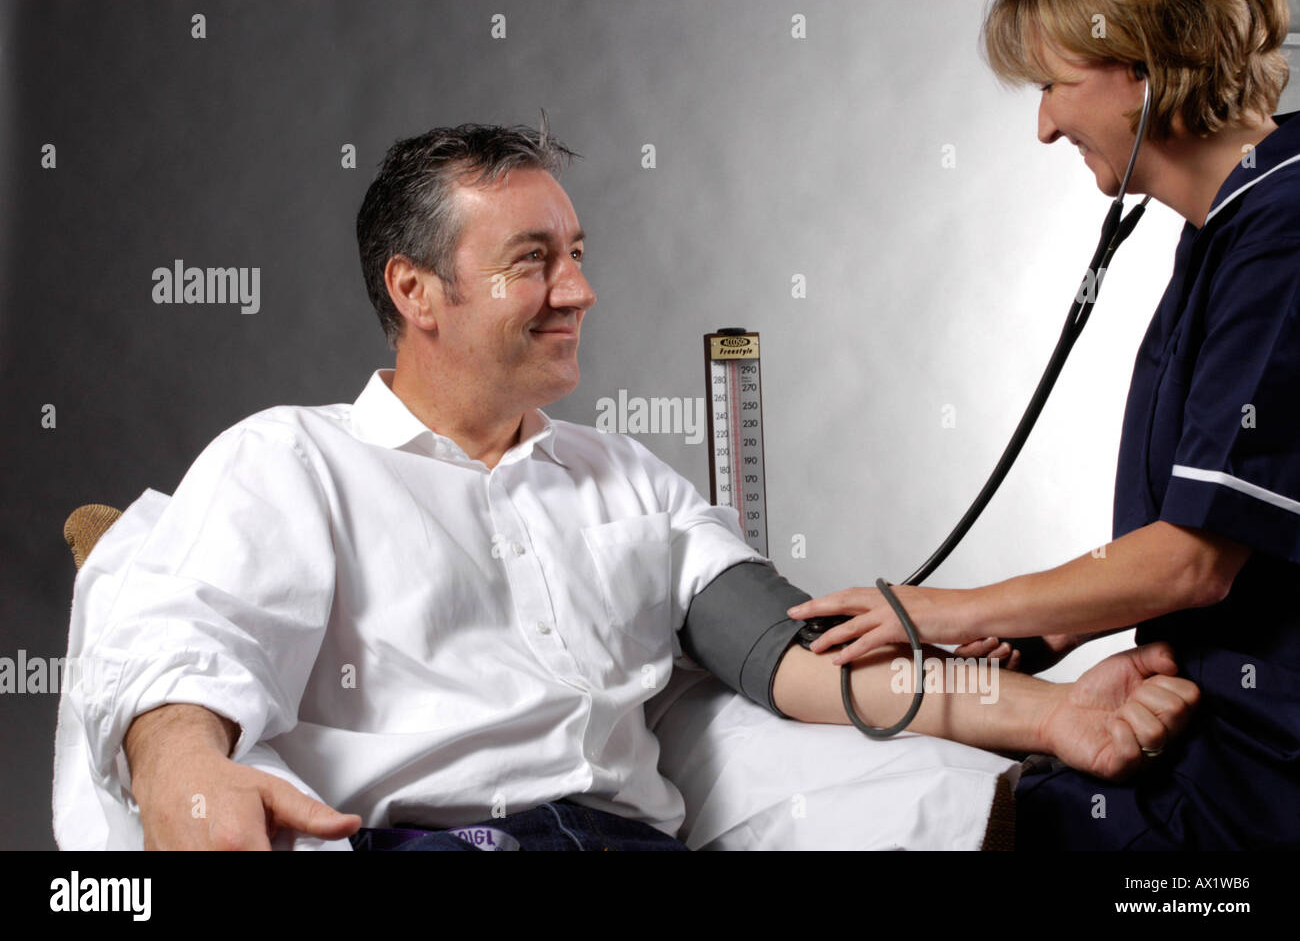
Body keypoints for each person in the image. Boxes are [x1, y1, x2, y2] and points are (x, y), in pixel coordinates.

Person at [83, 121, 1199, 851]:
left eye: (576, 253)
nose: (581, 289)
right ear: (416, 292)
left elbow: (796, 662)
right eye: (535, 261)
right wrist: (186, 770)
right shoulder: (290, 460)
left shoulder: (624, 478)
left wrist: (1051, 715)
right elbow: (184, 642)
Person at [789, 0, 1298, 849]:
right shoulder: (1233, 225)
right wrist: (1037, 630)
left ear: (1140, 71)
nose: (1045, 128)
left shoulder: (1283, 232)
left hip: (1262, 773)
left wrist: (938, 611)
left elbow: (1196, 561)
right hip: (1212, 727)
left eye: (1050, 88)